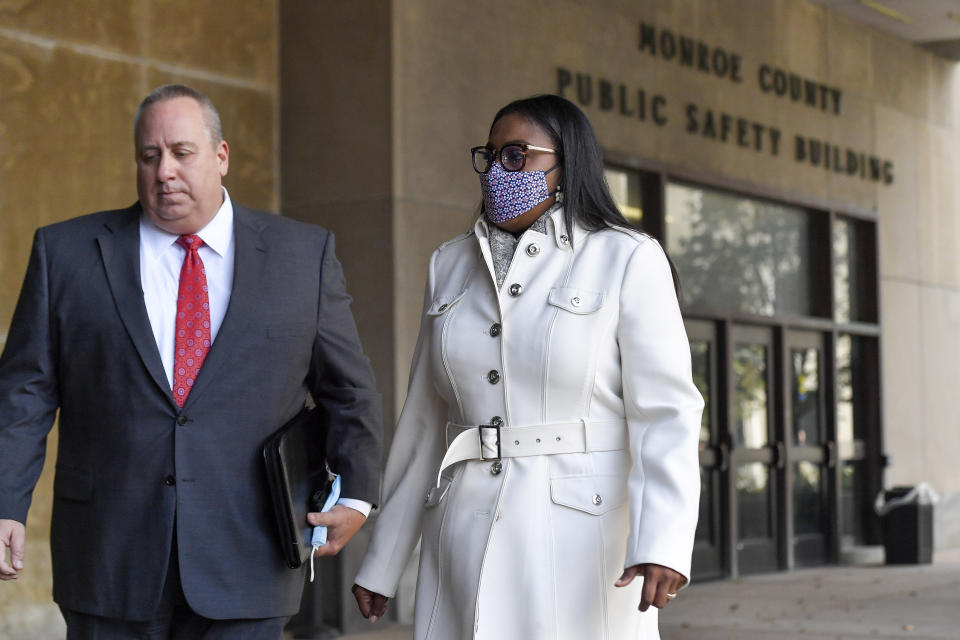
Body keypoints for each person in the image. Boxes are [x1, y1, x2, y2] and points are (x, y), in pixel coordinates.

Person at [0, 84, 382, 639]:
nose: (164, 172)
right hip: (109, 558)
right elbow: (23, 393)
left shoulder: (303, 256)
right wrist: (5, 501)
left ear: (221, 156)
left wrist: (357, 495)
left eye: (182, 152)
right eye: (149, 157)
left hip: (251, 555)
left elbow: (349, 390)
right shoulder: (67, 254)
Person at [351, 94, 703, 639]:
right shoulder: (449, 264)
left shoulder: (626, 256)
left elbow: (667, 414)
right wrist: (384, 559)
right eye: (490, 156)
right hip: (462, 535)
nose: (497, 171)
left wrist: (663, 541)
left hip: (581, 538)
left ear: (566, 164)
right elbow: (422, 421)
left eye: (517, 156)